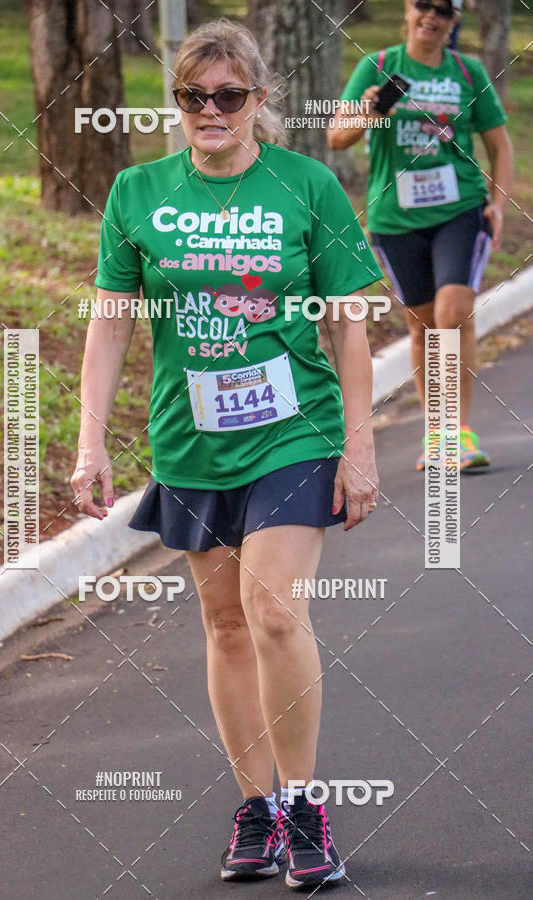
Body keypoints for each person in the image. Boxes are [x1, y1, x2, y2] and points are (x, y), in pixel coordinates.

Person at [71, 18, 383, 890]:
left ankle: (306, 804)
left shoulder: (307, 186)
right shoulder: (138, 192)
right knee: (225, 624)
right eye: (194, 96)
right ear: (177, 102)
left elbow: (351, 324)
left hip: (294, 430)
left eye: (229, 96)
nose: (211, 110)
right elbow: (109, 322)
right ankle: (256, 806)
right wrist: (90, 441)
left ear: (260, 100)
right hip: (190, 437)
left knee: (275, 611)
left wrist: (359, 449)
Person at [328, 0, 512, 470]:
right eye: (423, 6)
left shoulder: (467, 73)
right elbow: (336, 137)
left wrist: (497, 201)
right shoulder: (380, 66)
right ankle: (437, 433)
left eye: (443, 10)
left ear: (453, 22)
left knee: (455, 313)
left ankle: (460, 433)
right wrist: (368, 110)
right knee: (423, 325)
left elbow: (499, 144)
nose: (431, 16)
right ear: (409, 12)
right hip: (396, 217)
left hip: (459, 209)